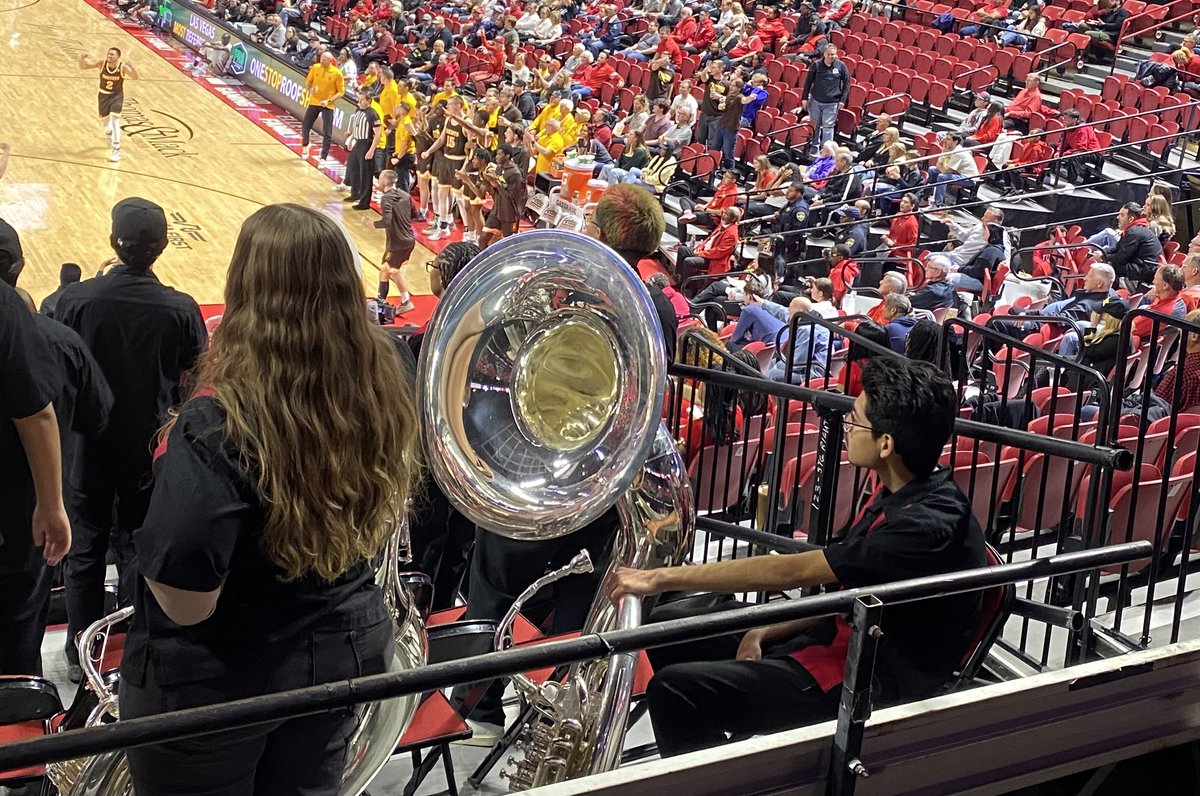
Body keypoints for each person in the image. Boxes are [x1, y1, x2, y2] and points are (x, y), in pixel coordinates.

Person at [117, 204, 419, 795]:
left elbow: (186, 603)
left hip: (220, 684)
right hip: (343, 651)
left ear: (243, 288)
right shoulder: (390, 376)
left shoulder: (215, 422)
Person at [611, 357, 983, 756]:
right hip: (846, 636)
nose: (848, 431)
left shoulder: (924, 526)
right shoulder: (906, 487)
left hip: (866, 679)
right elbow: (851, 590)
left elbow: (792, 570)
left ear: (887, 444)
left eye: (856, 422)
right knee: (669, 626)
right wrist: (762, 631)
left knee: (674, 689)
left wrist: (659, 578)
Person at [55, 198, 207, 681]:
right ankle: (134, 646)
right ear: (162, 247)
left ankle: (82, 654)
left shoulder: (73, 301)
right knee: (138, 547)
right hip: (148, 449)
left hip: (86, 446)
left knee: (85, 550)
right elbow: (192, 374)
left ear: (111, 242)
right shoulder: (181, 309)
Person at [0, 224, 93, 675]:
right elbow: (36, 414)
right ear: (18, 267)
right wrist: (54, 503)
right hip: (16, 511)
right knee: (18, 626)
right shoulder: (28, 325)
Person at [80, 48, 138, 163]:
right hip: (103, 96)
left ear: (118, 57)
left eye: (112, 54)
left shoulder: (122, 67)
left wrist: (132, 67)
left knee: (115, 120)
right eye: (108, 54)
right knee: (105, 123)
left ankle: (116, 150)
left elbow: (135, 77)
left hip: (116, 96)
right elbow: (83, 67)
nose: (109, 56)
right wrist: (82, 59)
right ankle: (109, 134)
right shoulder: (102, 64)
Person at [373, 169, 416, 312]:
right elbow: (415, 214)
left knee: (392, 270)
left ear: (385, 182)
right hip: (409, 239)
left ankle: (406, 301)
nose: (378, 181)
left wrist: (371, 223)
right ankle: (381, 301)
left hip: (397, 242)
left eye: (379, 178)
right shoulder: (405, 195)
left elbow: (386, 221)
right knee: (385, 270)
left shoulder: (386, 198)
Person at [1093, 202, 1163, 284]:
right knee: (1107, 260)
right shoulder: (1133, 229)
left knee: (1107, 267)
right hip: (1138, 265)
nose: (1118, 217)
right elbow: (1117, 247)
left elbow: (1122, 257)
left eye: (1122, 215)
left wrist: (1103, 257)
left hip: (1143, 271)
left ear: (1131, 219)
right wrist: (1102, 252)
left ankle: (1104, 292)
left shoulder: (1134, 232)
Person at [765, 297, 831, 383]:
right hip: (812, 367)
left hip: (811, 373)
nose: (788, 310)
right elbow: (783, 313)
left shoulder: (806, 330)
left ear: (799, 311)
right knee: (774, 362)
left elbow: (798, 363)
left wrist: (779, 365)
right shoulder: (815, 319)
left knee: (772, 374)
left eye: (790, 307)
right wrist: (762, 303)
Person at [676, 207, 742, 295]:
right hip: (705, 251)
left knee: (689, 261)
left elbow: (718, 252)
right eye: (724, 213)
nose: (723, 215)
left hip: (714, 260)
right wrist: (700, 246)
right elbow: (710, 238)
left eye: (726, 214)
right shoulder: (723, 224)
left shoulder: (732, 234)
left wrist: (700, 253)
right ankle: (680, 280)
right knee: (682, 250)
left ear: (733, 219)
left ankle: (690, 289)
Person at [800, 45, 850, 154]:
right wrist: (804, 98)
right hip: (816, 100)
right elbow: (808, 82)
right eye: (829, 54)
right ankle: (814, 147)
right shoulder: (816, 65)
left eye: (833, 54)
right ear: (824, 54)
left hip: (832, 102)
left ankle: (827, 151)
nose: (831, 56)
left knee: (828, 127)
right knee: (815, 124)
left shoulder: (841, 66)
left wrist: (842, 100)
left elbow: (847, 83)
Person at [301, 52, 345, 163]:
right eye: (321, 58)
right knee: (306, 124)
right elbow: (308, 82)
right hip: (314, 101)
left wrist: (329, 100)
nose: (322, 61)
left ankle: (323, 157)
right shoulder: (315, 68)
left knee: (327, 132)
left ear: (330, 61)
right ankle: (305, 145)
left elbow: (341, 92)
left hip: (327, 104)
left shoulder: (337, 73)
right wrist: (309, 88)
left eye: (325, 59)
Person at [480, 143, 526, 248]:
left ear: (507, 156)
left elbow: (511, 198)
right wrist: (489, 183)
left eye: (499, 154)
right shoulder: (499, 168)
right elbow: (495, 193)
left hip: (509, 215)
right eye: (496, 154)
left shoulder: (515, 174)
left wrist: (497, 185)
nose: (496, 157)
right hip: (497, 211)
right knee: (482, 240)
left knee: (508, 246)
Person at [344, 93, 382, 210]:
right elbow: (356, 127)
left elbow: (378, 134)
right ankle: (355, 193)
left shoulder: (373, 114)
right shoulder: (358, 110)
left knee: (365, 174)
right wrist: (350, 138)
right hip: (357, 142)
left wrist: (371, 150)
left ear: (369, 101)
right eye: (359, 99)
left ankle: (364, 202)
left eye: (362, 100)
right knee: (353, 169)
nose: (359, 102)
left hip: (366, 144)